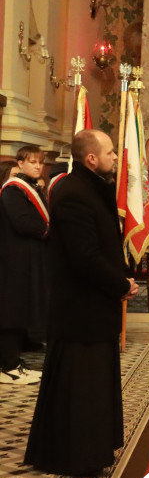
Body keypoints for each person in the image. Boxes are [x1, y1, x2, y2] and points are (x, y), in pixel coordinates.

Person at [24, 130, 138, 476]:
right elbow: (84, 257)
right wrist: (119, 283)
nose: (116, 157)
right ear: (91, 158)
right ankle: (78, 455)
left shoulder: (90, 189)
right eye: (110, 152)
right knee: (80, 386)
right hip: (80, 310)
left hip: (91, 307)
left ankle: (86, 450)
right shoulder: (75, 194)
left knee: (88, 383)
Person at [0, 146, 49, 383]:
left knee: (20, 309)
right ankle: (8, 366)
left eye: (40, 162)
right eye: (32, 162)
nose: (38, 166)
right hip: (15, 259)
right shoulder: (13, 190)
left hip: (26, 257)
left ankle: (13, 361)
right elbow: (23, 222)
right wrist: (50, 231)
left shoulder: (29, 188)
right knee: (12, 310)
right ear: (20, 163)